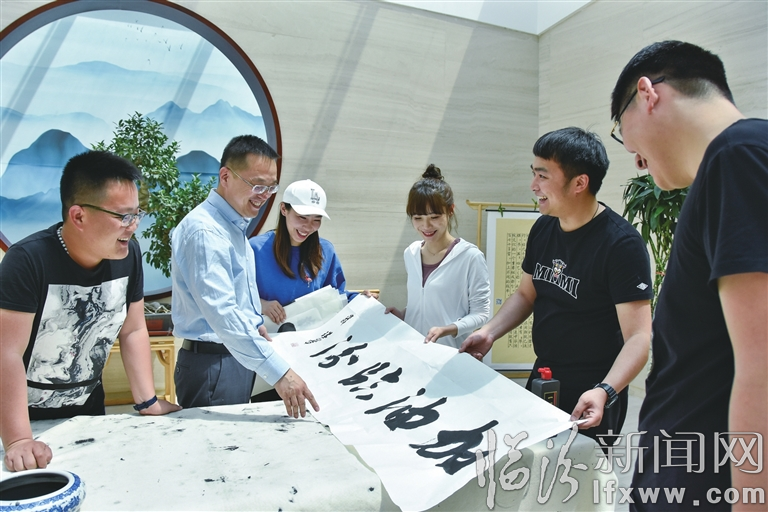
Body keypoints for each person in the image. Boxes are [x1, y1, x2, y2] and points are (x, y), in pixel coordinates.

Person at [610, 41, 767, 510]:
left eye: (622, 131)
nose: (634, 156)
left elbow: (761, 367)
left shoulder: (736, 156)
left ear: (647, 94)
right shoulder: (738, 158)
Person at [459, 128, 653, 444]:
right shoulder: (543, 228)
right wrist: (490, 332)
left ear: (579, 183)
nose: (533, 185)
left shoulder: (621, 245)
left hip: (594, 388)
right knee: (531, 464)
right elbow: (526, 294)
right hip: (544, 373)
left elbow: (639, 337)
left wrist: (605, 390)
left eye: (543, 176)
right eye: (533, 174)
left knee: (578, 471)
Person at [0, 151, 181, 472]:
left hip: (87, 412)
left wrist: (148, 402)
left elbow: (133, 329)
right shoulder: (28, 260)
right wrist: (18, 440)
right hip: (22, 422)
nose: (133, 226)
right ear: (78, 216)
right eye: (123, 216)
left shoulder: (128, 255)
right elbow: (6, 352)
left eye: (137, 214)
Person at [171, 135, 319, 418]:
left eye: (271, 188)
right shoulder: (206, 231)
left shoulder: (232, 227)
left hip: (234, 357)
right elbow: (222, 312)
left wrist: (254, 324)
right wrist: (280, 374)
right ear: (225, 176)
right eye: (257, 185)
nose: (264, 195)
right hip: (214, 364)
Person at [385, 164, 491, 348]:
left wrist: (448, 329)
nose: (426, 226)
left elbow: (481, 314)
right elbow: (427, 304)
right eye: (418, 218)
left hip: (450, 354)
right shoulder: (411, 253)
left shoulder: (470, 257)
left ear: (450, 210)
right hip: (414, 351)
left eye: (434, 217)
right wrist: (403, 315)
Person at [250, 179, 360, 326]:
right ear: (283, 209)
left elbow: (335, 296)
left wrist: (360, 299)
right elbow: (234, 295)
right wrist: (261, 304)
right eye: (302, 217)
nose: (308, 227)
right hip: (268, 336)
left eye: (316, 220)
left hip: (313, 336)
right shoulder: (255, 249)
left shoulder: (326, 251)